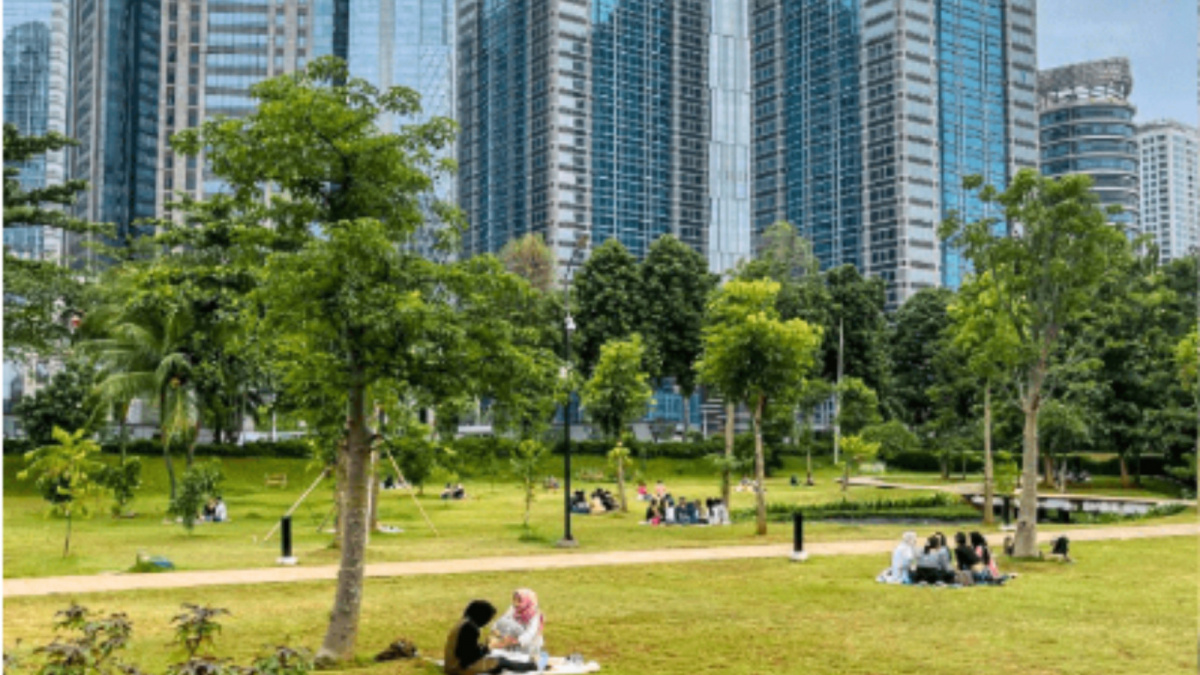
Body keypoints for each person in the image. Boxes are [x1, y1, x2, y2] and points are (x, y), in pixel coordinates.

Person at [443, 600, 535, 675]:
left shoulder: (464, 623)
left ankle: (530, 666)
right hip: (457, 668)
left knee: (499, 659)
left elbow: (466, 650)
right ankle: (533, 667)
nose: (487, 623)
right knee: (501, 662)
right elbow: (468, 657)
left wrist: (484, 647)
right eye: (488, 619)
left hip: (454, 664)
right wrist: (488, 647)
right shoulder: (470, 628)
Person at [490, 589, 545, 662]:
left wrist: (515, 641)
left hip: (530, 644)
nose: (516, 603)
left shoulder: (535, 615)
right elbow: (503, 619)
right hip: (514, 640)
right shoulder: (513, 609)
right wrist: (495, 629)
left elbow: (530, 633)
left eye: (519, 601)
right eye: (514, 600)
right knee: (505, 623)